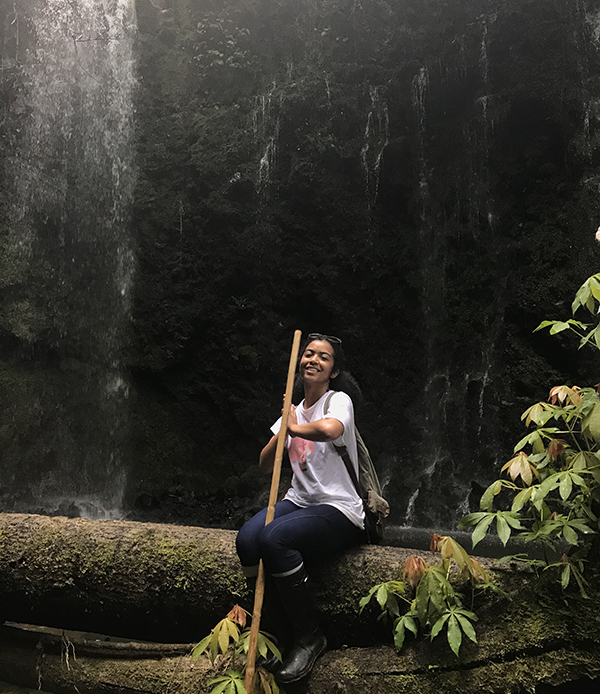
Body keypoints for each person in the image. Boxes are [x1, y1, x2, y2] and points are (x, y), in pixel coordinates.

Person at [235, 333, 365, 683]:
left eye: (323, 357)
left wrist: (294, 426)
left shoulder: (338, 401)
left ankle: (309, 635)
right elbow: (265, 463)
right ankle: (275, 632)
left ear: (333, 370)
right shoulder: (292, 410)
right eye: (308, 354)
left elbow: (329, 429)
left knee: (274, 539)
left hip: (340, 508)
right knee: (248, 540)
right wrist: (284, 427)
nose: (313, 360)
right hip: (299, 500)